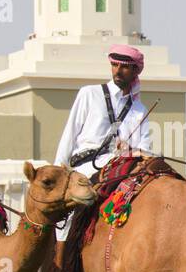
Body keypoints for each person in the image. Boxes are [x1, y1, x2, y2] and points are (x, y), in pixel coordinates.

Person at [54, 44, 151, 177]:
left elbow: (144, 150)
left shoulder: (140, 110)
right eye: (114, 65)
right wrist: (57, 171)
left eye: (124, 66)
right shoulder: (89, 93)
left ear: (135, 71)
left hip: (122, 172)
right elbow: (70, 133)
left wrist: (130, 150)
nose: (118, 70)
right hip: (86, 171)